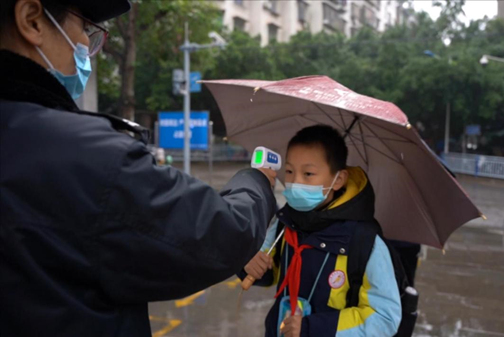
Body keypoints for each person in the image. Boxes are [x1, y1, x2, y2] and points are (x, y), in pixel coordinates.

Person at [0, 0, 277, 336]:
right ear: (32, 20)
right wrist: (257, 180)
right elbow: (218, 236)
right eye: (85, 29)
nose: (89, 47)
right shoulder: (88, 155)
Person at [241, 125, 401, 337]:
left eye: (308, 174)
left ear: (339, 180)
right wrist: (249, 262)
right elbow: (268, 273)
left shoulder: (365, 241)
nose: (296, 182)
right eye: (289, 171)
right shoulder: (284, 222)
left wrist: (311, 329)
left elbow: (384, 318)